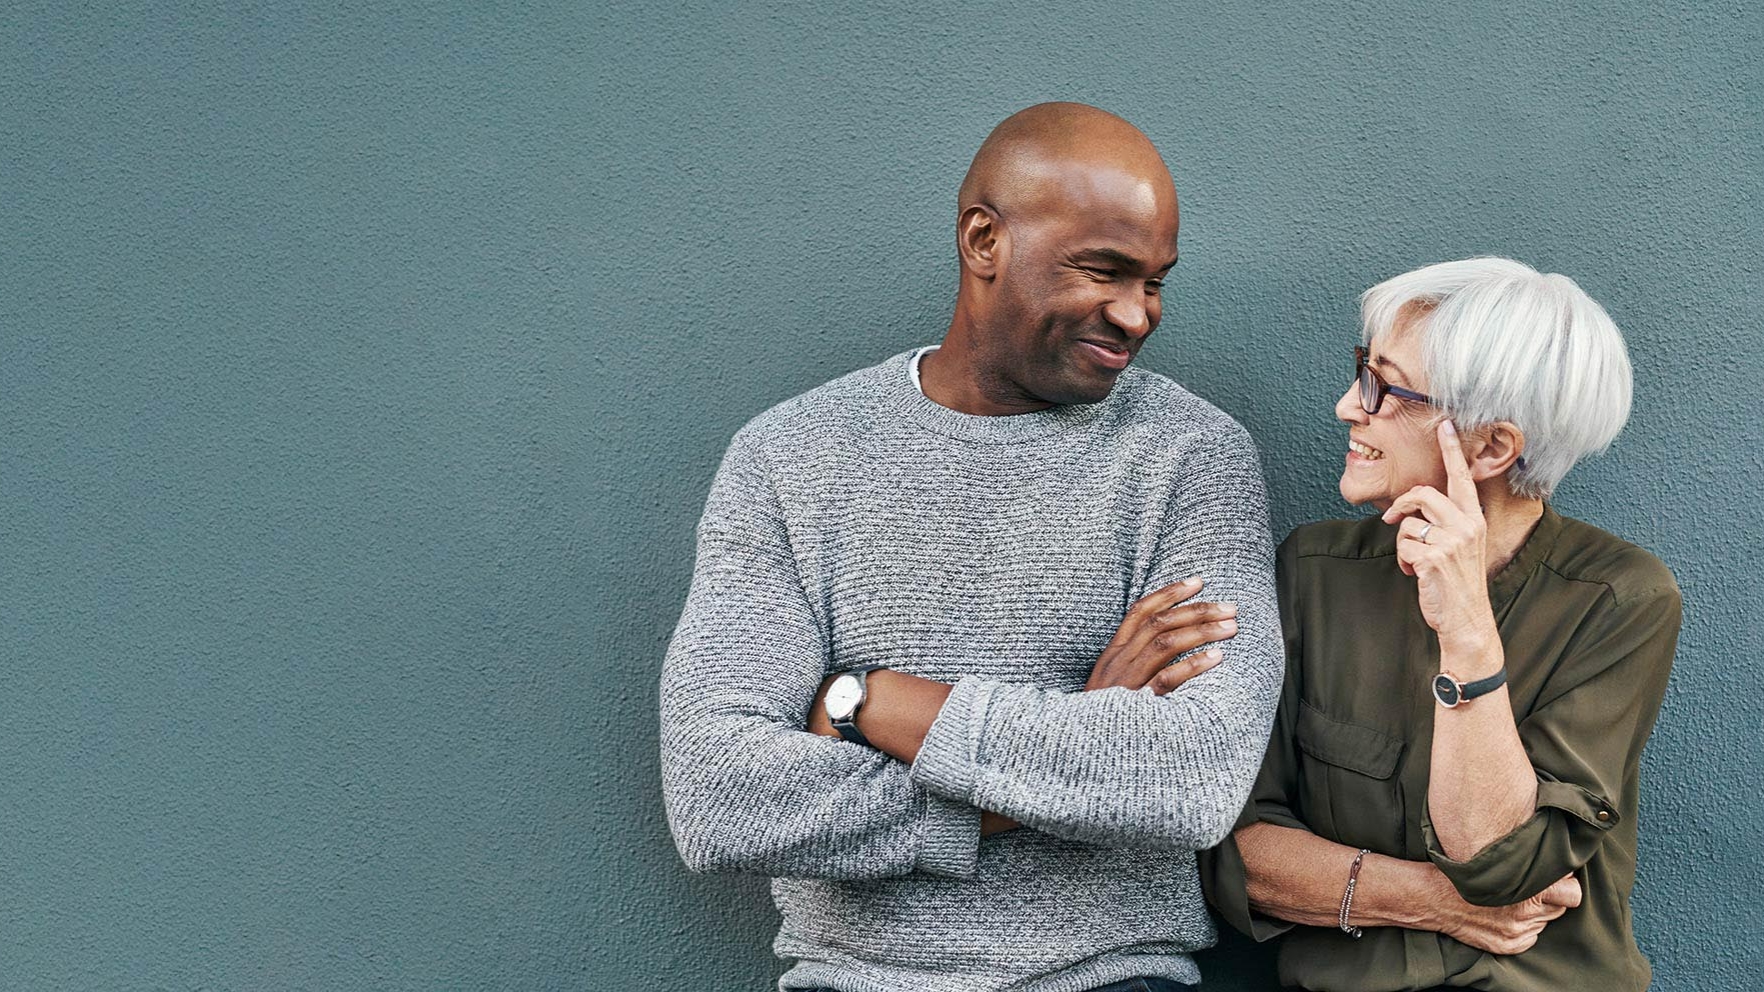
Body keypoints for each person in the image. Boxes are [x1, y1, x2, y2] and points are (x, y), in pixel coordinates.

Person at [659, 102, 1284, 991]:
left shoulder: (1192, 456)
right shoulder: (790, 457)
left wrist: (865, 701)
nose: (1137, 314)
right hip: (853, 979)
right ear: (984, 241)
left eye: (1154, 282)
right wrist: (1072, 745)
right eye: (1103, 270)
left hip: (1108, 976)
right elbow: (718, 796)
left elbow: (1191, 779)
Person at [1199, 257, 1682, 991]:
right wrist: (1438, 903)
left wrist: (1466, 634)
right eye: (1364, 369)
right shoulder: (1313, 573)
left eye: (1384, 387)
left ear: (1490, 448)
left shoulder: (1620, 602)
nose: (1347, 406)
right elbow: (1236, 859)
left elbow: (1498, 858)